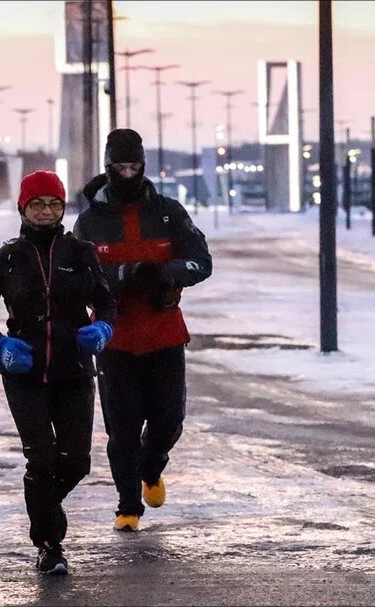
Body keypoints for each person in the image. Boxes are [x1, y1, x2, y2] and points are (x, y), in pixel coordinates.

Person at [0, 170, 116, 575]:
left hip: (74, 372)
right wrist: (0, 345)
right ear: (23, 208)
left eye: (54, 204)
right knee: (42, 459)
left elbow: (107, 303)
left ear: (63, 208)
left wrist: (103, 328)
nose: (46, 212)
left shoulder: (81, 253)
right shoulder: (5, 259)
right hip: (24, 375)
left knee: (76, 462)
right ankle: (49, 546)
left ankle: (44, 508)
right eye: (37, 204)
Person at [74, 128, 212, 532]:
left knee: (169, 420)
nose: (127, 173)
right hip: (115, 338)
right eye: (120, 167)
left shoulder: (169, 213)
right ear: (108, 167)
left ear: (144, 166)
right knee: (122, 427)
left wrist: (164, 274)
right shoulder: (89, 223)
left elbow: (201, 261)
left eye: (134, 166)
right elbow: (80, 278)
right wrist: (124, 275)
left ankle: (151, 467)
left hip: (164, 333)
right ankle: (128, 506)